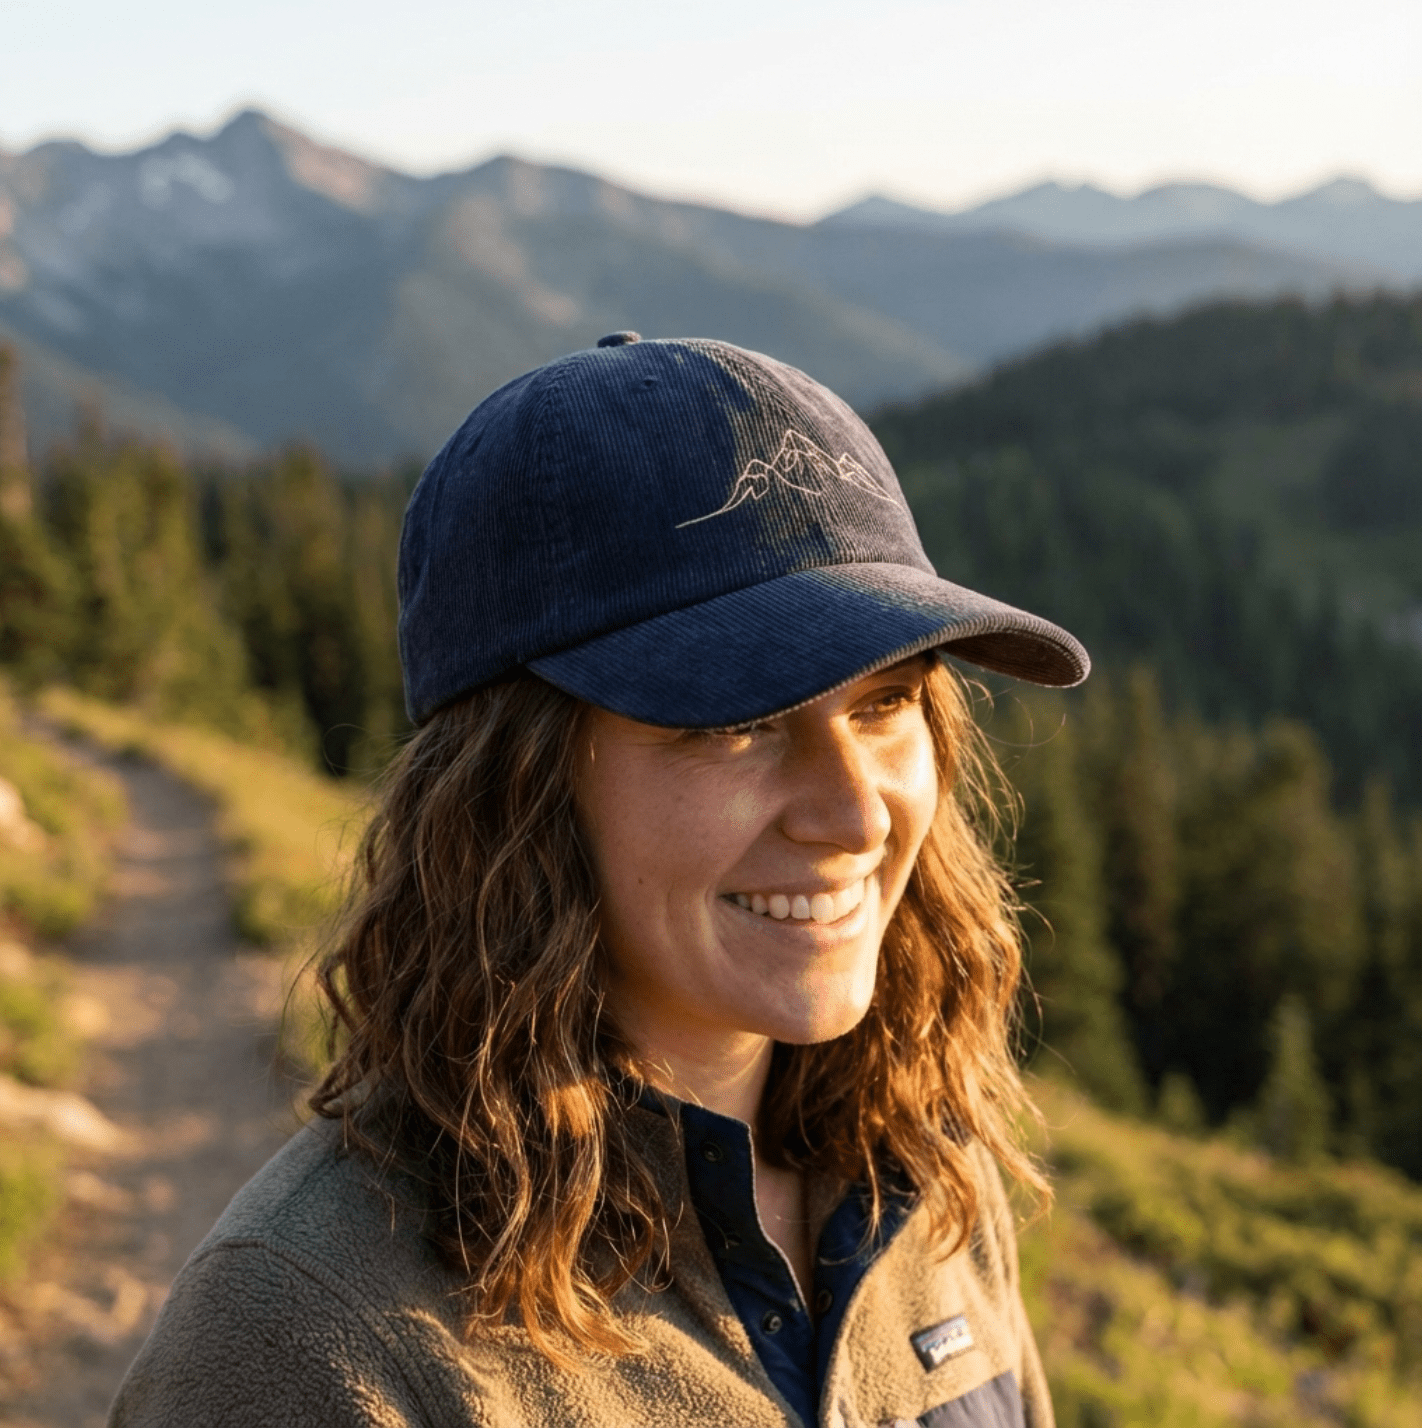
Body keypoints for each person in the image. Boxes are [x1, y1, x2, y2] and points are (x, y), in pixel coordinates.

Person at [109, 333, 1088, 1428]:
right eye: (739, 722)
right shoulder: (306, 1336)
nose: (856, 812)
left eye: (884, 703)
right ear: (511, 791)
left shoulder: (921, 1180)